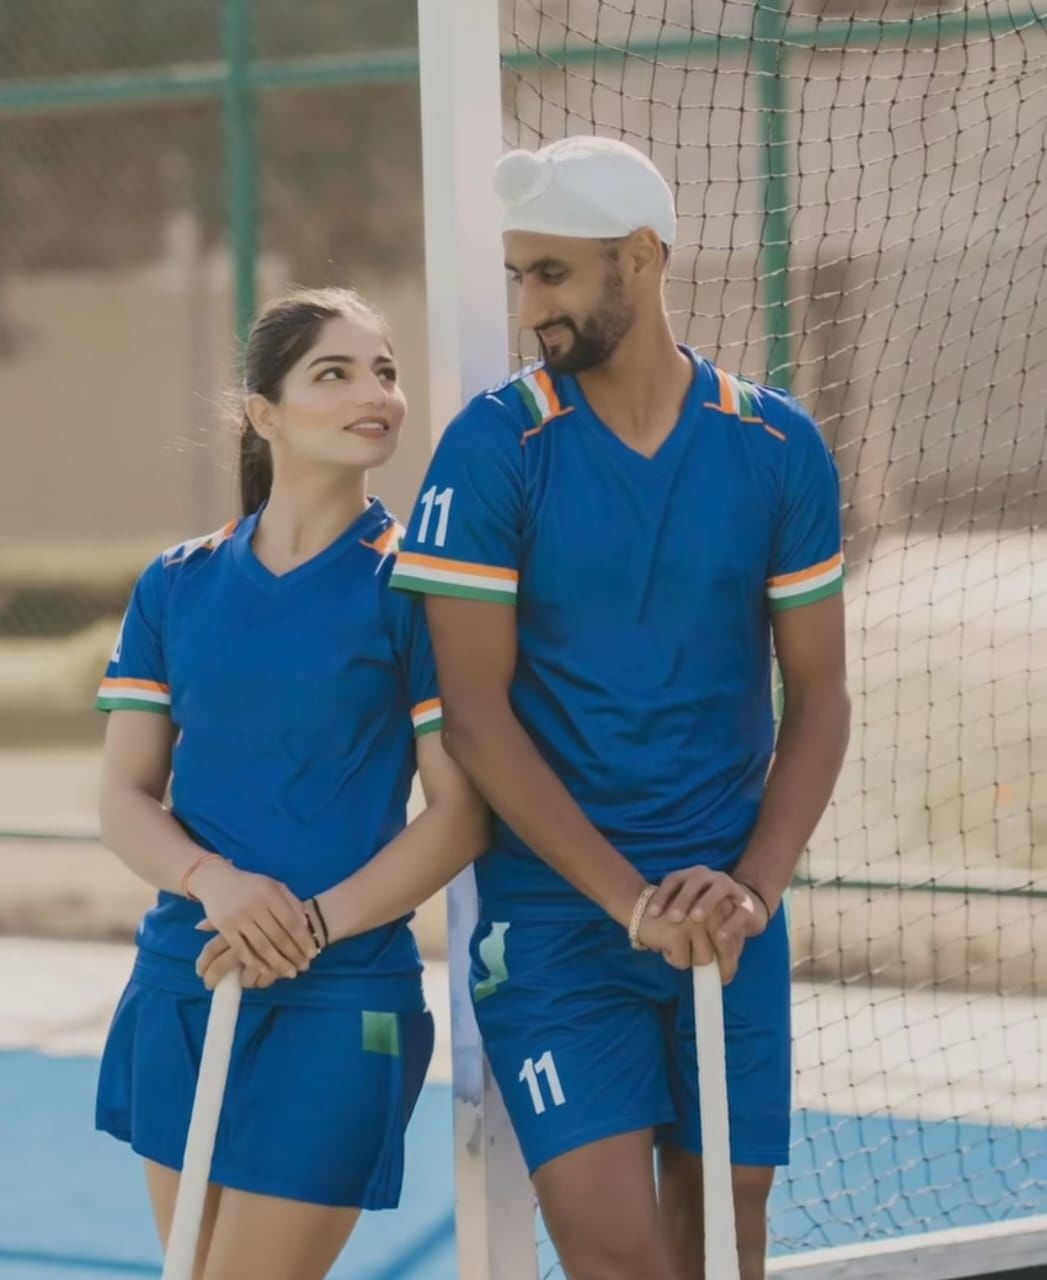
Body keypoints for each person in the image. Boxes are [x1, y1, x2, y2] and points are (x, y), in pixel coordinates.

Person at [390, 137, 851, 1280]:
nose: (530, 304)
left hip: (730, 910)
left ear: (640, 259)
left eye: (552, 273)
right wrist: (633, 901)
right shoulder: (495, 448)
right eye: (520, 275)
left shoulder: (777, 444)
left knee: (726, 1254)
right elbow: (474, 713)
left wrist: (751, 886)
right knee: (620, 1256)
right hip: (557, 921)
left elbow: (824, 692)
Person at [94, 286, 488, 1280]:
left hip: (341, 992)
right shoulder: (177, 581)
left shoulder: (418, 584)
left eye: (387, 370)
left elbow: (461, 814)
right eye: (338, 371)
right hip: (186, 980)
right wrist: (209, 881)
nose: (378, 393)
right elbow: (125, 797)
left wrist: (313, 924)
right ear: (264, 413)